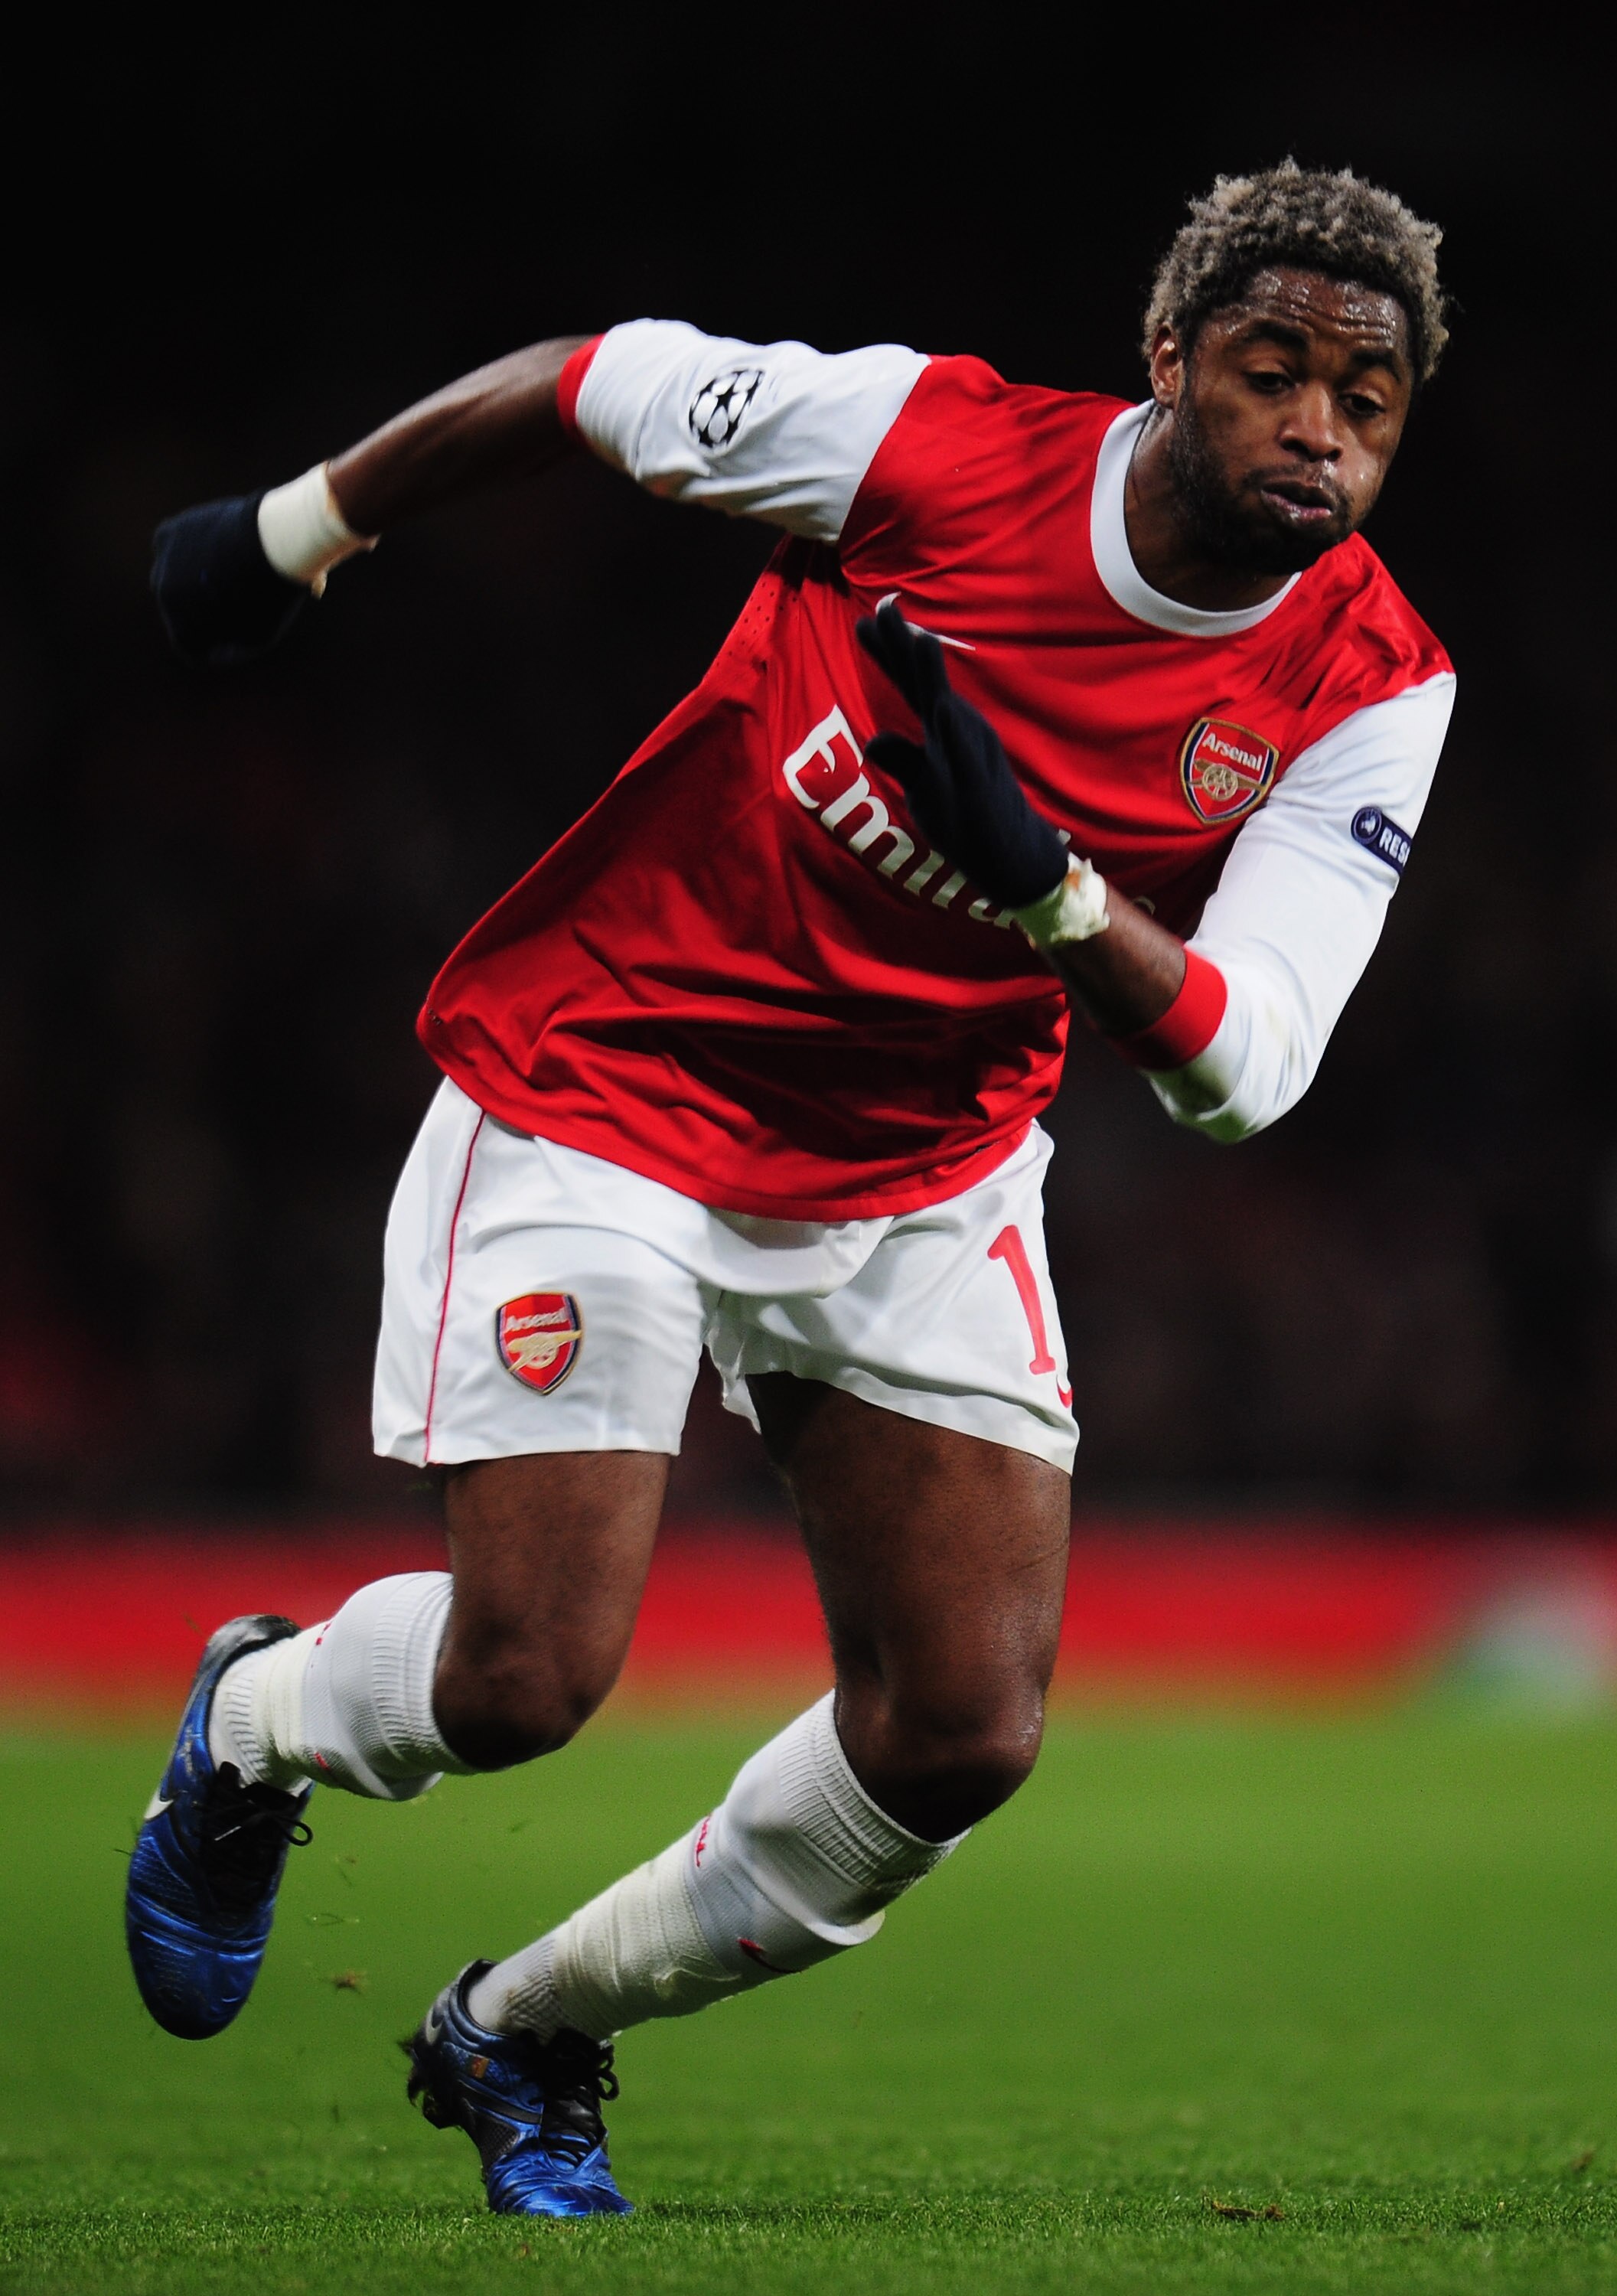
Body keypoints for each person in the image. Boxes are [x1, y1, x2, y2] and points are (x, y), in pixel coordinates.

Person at [127, 163, 1458, 2216]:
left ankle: (526, 2025)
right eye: (1270, 374)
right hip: (617, 1078)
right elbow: (595, 384)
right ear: (1169, 361)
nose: (1312, 432)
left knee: (958, 1731)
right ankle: (251, 1721)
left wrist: (1054, 894)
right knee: (523, 1682)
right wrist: (306, 527)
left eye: (1362, 402)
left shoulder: (1371, 682)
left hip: (918, 1170)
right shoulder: (928, 450)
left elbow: (1247, 1063)